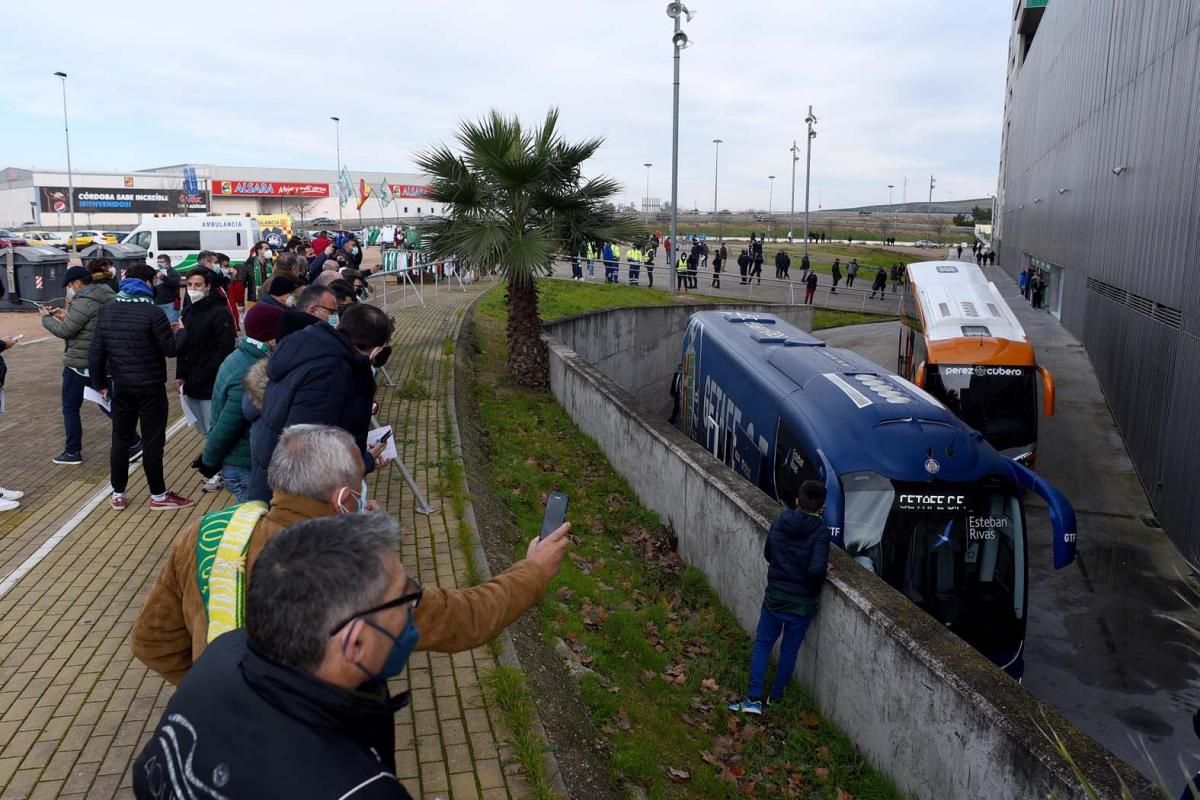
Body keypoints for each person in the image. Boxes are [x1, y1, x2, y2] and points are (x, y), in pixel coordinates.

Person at [134, 423, 570, 683]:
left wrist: (218, 699)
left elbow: (153, 644)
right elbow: (464, 619)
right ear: (344, 499)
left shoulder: (208, 533)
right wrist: (533, 572)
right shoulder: (354, 574)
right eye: (361, 489)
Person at [132, 514, 423, 798]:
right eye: (405, 599)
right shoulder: (362, 790)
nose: (411, 612)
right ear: (355, 641)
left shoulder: (221, 654)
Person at [248, 301, 393, 503]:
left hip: (272, 483)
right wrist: (363, 462)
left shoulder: (308, 350)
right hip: (296, 500)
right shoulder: (332, 373)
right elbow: (307, 451)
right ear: (376, 349)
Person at [89, 263, 193, 512]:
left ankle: (117, 493)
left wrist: (100, 383)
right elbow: (170, 349)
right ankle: (158, 495)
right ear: (147, 283)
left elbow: (95, 352)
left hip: (121, 385)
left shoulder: (108, 309)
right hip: (150, 387)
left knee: (120, 439)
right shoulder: (153, 312)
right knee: (153, 441)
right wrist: (181, 332)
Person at [728, 480, 830, 715]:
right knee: (789, 652)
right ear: (822, 507)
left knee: (763, 644)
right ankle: (775, 699)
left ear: (797, 501)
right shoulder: (820, 533)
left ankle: (753, 699)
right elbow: (816, 570)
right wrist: (824, 569)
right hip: (802, 604)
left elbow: (768, 554)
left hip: (775, 597)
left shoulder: (781, 521)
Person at [196, 302, 285, 502]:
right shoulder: (251, 372)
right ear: (270, 337)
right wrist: (208, 461)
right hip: (243, 465)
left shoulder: (238, 357)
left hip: (241, 463)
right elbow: (228, 425)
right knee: (254, 525)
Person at [42, 265, 125, 466]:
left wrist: (46, 319)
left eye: (70, 285)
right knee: (108, 404)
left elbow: (67, 332)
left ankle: (72, 452)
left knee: (70, 408)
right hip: (101, 361)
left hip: (79, 364)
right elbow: (85, 324)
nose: (70, 290)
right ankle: (134, 441)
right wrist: (64, 316)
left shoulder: (84, 301)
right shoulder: (107, 295)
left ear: (77, 283)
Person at [176, 267, 236, 442]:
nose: (193, 289)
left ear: (208, 286)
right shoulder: (187, 312)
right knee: (201, 427)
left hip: (211, 381)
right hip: (191, 382)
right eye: (189, 285)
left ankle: (217, 463)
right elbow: (183, 346)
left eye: (198, 285)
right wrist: (180, 374)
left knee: (214, 426)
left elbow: (224, 348)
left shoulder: (219, 313)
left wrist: (203, 374)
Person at [237, 241, 273, 309]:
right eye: (266, 249)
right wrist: (240, 303)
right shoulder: (249, 263)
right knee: (253, 317)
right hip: (253, 298)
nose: (269, 251)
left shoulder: (271, 264)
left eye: (269, 249)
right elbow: (241, 283)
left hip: (269, 298)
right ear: (259, 250)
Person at [152, 254, 182, 323]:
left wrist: (163, 278)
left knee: (172, 324)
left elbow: (175, 282)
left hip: (170, 304)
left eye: (161, 262)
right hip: (157, 303)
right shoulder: (157, 272)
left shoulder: (173, 272)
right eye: (158, 262)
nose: (159, 264)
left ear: (168, 263)